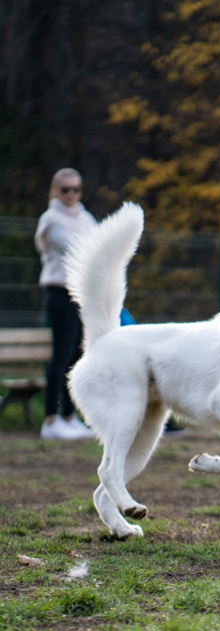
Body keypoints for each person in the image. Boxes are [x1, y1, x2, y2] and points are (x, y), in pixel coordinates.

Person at [34, 168, 97, 440]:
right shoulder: (51, 220)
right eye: (65, 190)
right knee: (61, 355)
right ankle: (51, 419)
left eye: (76, 189)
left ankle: (70, 416)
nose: (71, 195)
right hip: (61, 293)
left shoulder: (85, 217)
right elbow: (80, 248)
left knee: (77, 357)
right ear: (55, 191)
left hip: (82, 295)